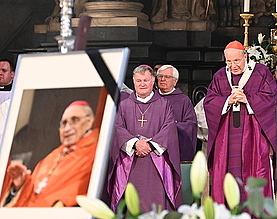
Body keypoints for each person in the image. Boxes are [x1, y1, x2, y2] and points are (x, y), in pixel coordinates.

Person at [204, 40, 277, 204]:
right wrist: (227, 101)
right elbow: (209, 102)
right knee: (226, 174)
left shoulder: (260, 72)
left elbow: (271, 98)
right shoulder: (220, 76)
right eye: (229, 61)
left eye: (236, 61)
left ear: (246, 57)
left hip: (253, 136)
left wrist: (248, 99)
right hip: (227, 138)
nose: (233, 65)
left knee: (255, 171)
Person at [108, 65, 182, 212]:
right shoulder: (124, 105)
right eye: (139, 80)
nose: (142, 84)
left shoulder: (164, 104)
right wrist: (135, 144)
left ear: (153, 81)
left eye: (146, 80)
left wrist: (150, 145)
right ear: (133, 82)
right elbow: (117, 128)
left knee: (155, 203)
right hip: (130, 162)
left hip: (156, 162)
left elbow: (169, 128)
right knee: (132, 202)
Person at [0, 100, 99, 207]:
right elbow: (34, 191)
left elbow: (85, 194)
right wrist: (21, 184)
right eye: (64, 123)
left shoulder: (95, 152)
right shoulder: (51, 157)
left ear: (89, 121)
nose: (67, 129)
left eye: (74, 120)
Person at [156, 64, 197, 161]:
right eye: (160, 76)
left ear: (175, 81)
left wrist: (173, 126)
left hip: (175, 147)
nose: (162, 79)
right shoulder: (151, 98)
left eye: (167, 77)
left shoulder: (183, 100)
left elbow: (191, 125)